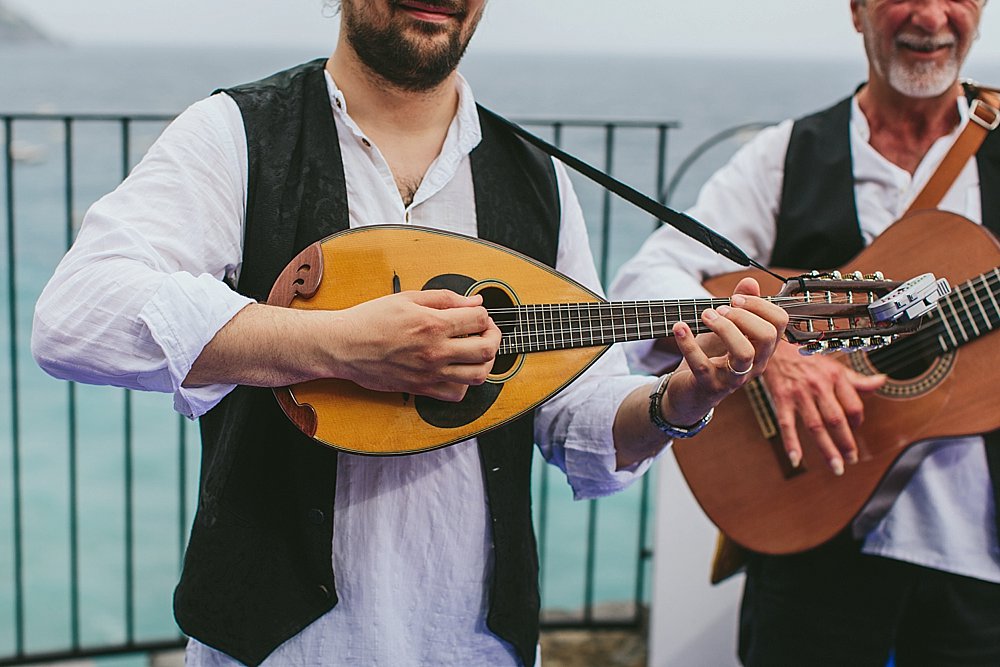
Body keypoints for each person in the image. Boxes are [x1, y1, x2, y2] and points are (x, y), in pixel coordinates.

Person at [30, 1, 787, 665]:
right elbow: (77, 314)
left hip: (471, 644)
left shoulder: (535, 179)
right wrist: (342, 345)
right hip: (279, 647)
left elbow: (576, 416)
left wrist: (682, 399)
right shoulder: (236, 135)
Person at [611, 0, 1000, 665]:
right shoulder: (787, 155)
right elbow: (645, 280)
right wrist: (771, 354)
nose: (932, 15)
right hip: (810, 548)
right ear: (857, 10)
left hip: (980, 565)